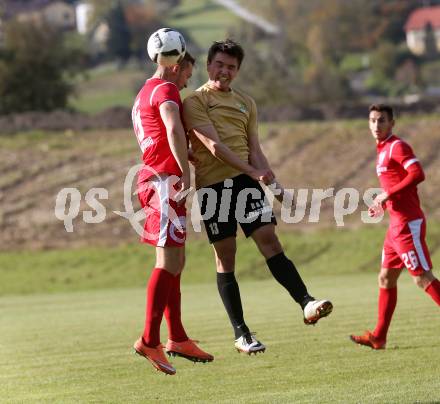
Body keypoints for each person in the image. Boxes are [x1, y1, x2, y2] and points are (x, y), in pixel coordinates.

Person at [183, 39, 333, 355]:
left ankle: (306, 302)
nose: (225, 71)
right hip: (213, 187)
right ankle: (241, 334)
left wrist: (277, 189)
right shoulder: (195, 101)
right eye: (220, 64)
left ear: (238, 71)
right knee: (226, 257)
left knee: (270, 239)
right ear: (209, 65)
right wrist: (253, 172)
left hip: (246, 182)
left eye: (232, 67)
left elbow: (255, 149)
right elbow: (213, 147)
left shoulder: (246, 103)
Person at [131, 50, 213, 375]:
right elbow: (172, 128)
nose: (185, 83)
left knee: (176, 259)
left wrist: (183, 154)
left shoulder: (143, 92)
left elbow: (158, 136)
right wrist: (184, 170)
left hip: (156, 178)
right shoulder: (165, 90)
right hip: (164, 181)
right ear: (175, 66)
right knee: (167, 261)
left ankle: (177, 337)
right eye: (186, 76)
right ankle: (149, 339)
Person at [350, 104, 440, 349]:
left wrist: (387, 194)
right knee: (385, 278)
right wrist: (384, 202)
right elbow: (396, 186)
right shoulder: (382, 150)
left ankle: (379, 336)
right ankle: (379, 337)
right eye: (372, 121)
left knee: (422, 278)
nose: (376, 126)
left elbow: (417, 174)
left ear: (392, 123)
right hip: (395, 225)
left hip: (407, 224)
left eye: (381, 121)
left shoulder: (397, 146)